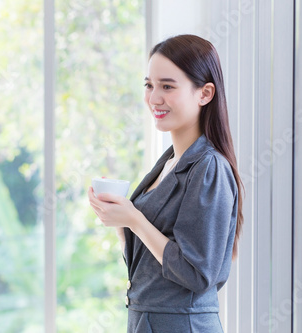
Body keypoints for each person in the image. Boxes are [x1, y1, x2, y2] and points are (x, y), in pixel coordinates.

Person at [88, 34, 244, 332]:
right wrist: (120, 222)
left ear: (205, 93)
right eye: (149, 85)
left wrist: (134, 220)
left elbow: (197, 273)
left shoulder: (208, 167)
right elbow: (151, 268)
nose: (154, 98)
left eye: (167, 86)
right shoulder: (168, 163)